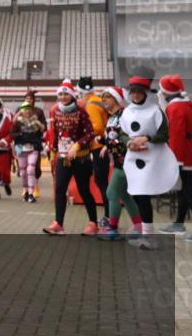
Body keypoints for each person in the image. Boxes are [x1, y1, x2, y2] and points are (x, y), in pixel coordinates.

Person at [121, 68, 178, 250]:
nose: (136, 96)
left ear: (145, 93)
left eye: (139, 92)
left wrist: (147, 138)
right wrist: (128, 142)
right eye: (133, 92)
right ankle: (146, 233)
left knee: (143, 196)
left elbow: (164, 135)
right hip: (133, 159)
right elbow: (121, 133)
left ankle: (148, 236)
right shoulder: (127, 112)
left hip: (151, 160)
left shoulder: (155, 111)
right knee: (137, 196)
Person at [43, 79, 98, 236]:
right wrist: (53, 150)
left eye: (65, 94)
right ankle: (58, 223)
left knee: (84, 190)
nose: (62, 97)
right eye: (60, 94)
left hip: (81, 158)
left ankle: (93, 223)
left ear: (72, 95)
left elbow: (90, 133)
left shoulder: (81, 111)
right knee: (60, 189)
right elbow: (55, 132)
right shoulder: (56, 111)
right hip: (63, 158)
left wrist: (77, 145)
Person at [95, 86, 142, 241]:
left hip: (126, 160)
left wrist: (107, 143)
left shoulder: (124, 115)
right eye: (103, 98)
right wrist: (105, 144)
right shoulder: (111, 117)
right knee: (125, 195)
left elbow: (124, 137)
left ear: (116, 99)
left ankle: (113, 228)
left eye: (107, 97)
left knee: (111, 193)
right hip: (118, 160)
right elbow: (113, 138)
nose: (104, 101)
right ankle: (138, 226)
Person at [157, 75, 192, 242]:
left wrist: (176, 161)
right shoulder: (186, 104)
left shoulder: (175, 109)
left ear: (165, 91)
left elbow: (177, 136)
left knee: (189, 191)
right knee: (184, 190)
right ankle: (179, 222)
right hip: (189, 153)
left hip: (184, 155)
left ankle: (179, 223)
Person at [78, 76, 111, 225]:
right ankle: (109, 215)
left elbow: (96, 127)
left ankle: (108, 217)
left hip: (98, 147)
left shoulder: (91, 104)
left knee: (102, 182)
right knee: (103, 182)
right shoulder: (98, 99)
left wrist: (85, 134)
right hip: (104, 144)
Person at [11, 101, 45, 202]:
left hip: (33, 148)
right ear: (21, 110)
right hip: (21, 149)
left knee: (30, 170)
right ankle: (25, 191)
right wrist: (21, 135)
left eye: (29, 109)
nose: (27, 111)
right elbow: (12, 134)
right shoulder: (17, 122)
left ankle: (31, 193)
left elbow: (42, 131)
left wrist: (39, 126)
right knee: (23, 173)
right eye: (25, 109)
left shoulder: (36, 121)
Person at [24, 90, 47, 199]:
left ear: (33, 100)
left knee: (35, 167)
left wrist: (38, 126)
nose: (29, 100)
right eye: (27, 98)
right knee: (24, 168)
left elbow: (45, 126)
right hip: (23, 143)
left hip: (35, 142)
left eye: (31, 99)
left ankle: (35, 186)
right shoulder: (20, 110)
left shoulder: (39, 111)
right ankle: (26, 188)